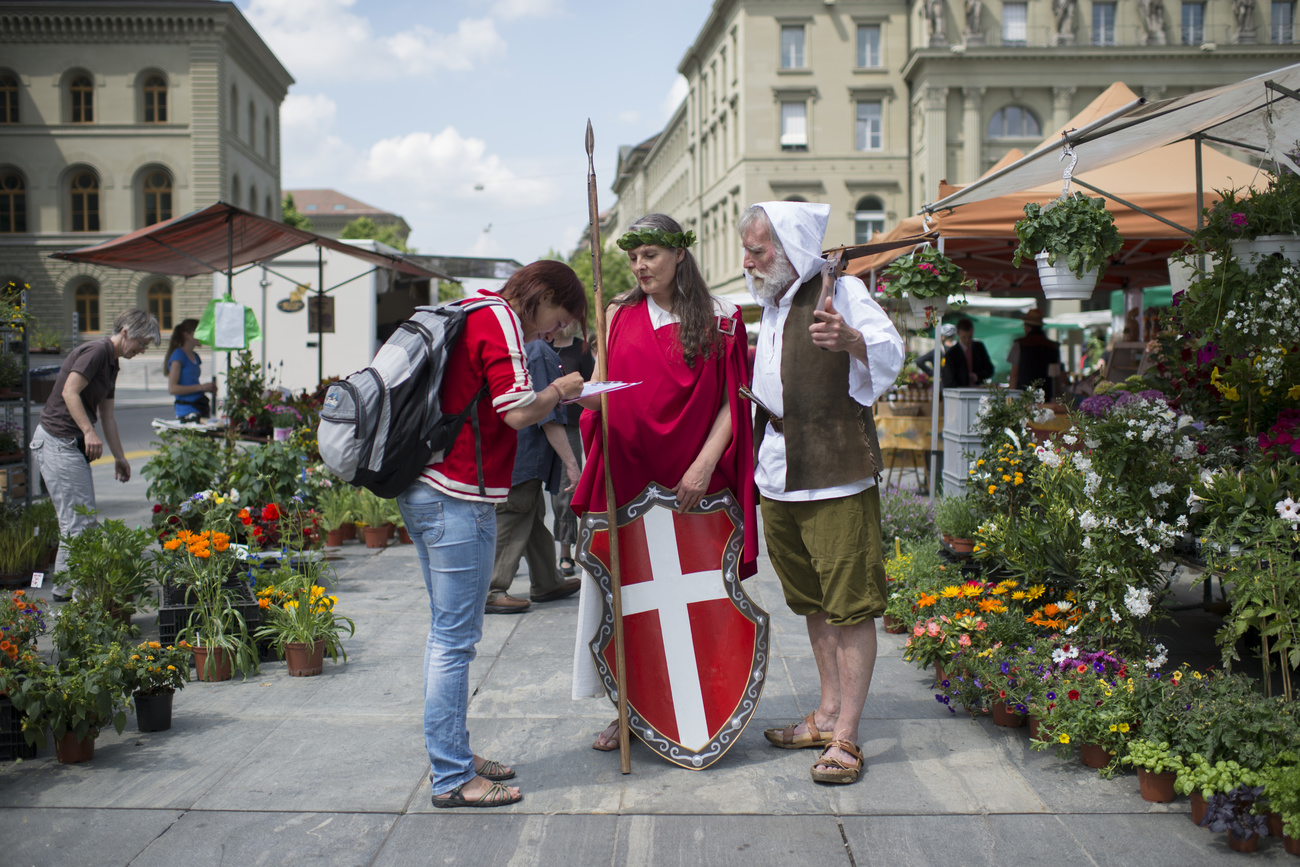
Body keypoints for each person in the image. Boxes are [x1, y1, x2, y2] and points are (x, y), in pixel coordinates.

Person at [396, 260, 587, 808]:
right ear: (542, 295)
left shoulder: (469, 308)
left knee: (447, 636)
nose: (554, 332)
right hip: (457, 496)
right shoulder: (500, 317)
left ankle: (453, 751)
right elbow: (516, 412)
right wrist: (561, 388)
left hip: (426, 488)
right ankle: (453, 776)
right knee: (454, 642)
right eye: (558, 317)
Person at [569, 212, 756, 751]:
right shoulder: (618, 312)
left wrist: (702, 465)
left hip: (696, 487)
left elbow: (732, 404)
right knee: (623, 599)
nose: (639, 265)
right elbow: (603, 389)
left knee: (702, 602)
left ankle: (708, 706)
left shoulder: (723, 317)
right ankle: (629, 709)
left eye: (649, 254)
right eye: (633, 257)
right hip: (627, 482)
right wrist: (587, 402)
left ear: (679, 253)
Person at [738, 202, 904, 786]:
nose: (748, 261)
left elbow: (891, 354)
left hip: (835, 474)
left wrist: (852, 340)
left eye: (758, 250)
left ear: (789, 249)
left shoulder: (844, 290)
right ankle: (826, 712)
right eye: (749, 250)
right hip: (780, 473)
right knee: (811, 601)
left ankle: (847, 739)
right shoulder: (773, 304)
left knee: (850, 604)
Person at [31, 309, 161, 601]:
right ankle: (84, 595)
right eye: (142, 342)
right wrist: (89, 432)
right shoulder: (96, 351)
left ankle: (65, 590)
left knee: (77, 520)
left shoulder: (112, 363)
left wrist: (119, 457)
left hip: (67, 443)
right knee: (81, 521)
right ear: (126, 332)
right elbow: (69, 392)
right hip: (58, 441)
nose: (143, 350)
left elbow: (109, 416)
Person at [485, 338, 582, 614]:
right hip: (524, 454)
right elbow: (547, 415)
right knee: (515, 513)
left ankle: (546, 581)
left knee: (530, 514)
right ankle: (491, 589)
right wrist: (571, 463)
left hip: (516, 451)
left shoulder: (521, 345)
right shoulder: (538, 351)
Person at [548, 323, 594, 579]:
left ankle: (565, 552)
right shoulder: (539, 345)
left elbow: (589, 388)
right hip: (540, 424)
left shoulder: (582, 348)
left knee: (566, 490)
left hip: (570, 426)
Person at [164, 318, 217, 422]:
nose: (201, 335)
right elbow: (172, 389)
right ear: (186, 335)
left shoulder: (195, 356)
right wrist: (201, 387)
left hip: (200, 405)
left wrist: (208, 388)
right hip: (187, 409)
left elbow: (191, 381)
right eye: (197, 332)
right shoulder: (178, 355)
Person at [1008, 308, 1064, 400]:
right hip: (1045, 396)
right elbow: (1057, 375)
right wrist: (1058, 396)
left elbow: (1014, 375)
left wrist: (1011, 397)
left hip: (1023, 396)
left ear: (1028, 327)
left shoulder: (1019, 344)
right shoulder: (1053, 346)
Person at [940, 317, 994, 388]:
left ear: (973, 331)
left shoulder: (979, 347)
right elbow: (949, 379)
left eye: (970, 336)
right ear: (958, 334)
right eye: (964, 337)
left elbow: (990, 369)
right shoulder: (951, 354)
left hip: (979, 389)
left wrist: (977, 376)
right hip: (961, 392)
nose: (967, 340)